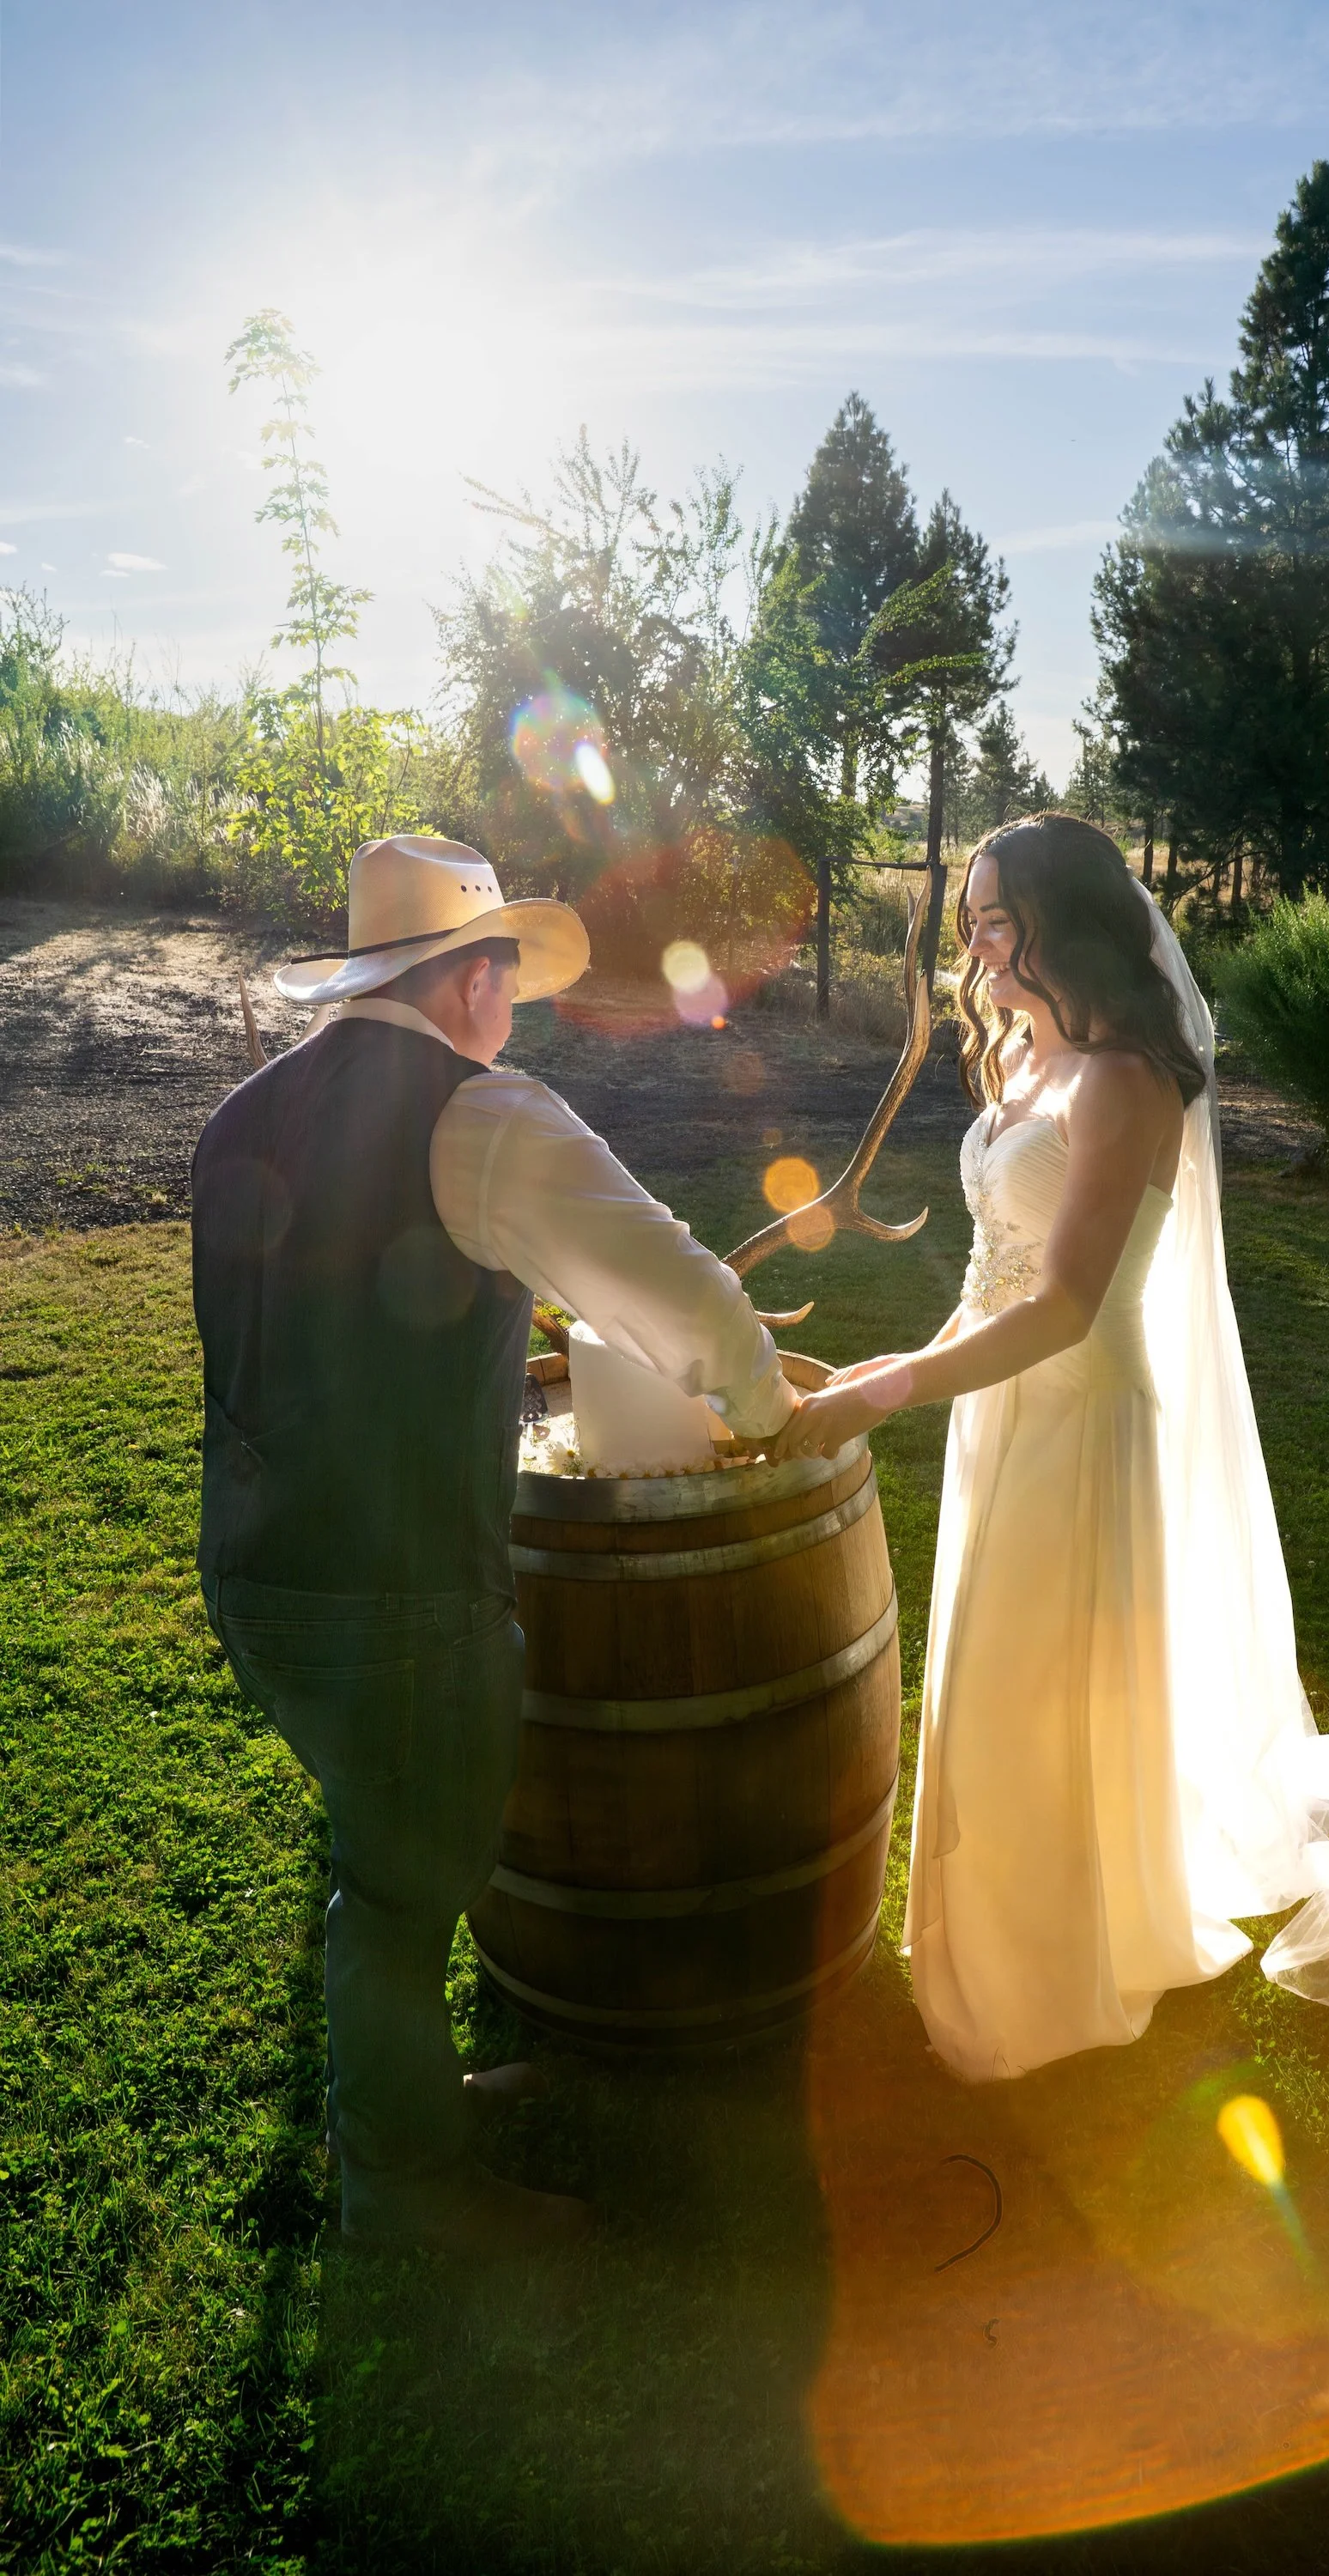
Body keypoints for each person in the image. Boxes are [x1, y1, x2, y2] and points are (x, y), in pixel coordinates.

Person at [778, 813, 1329, 2083]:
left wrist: (887, 1395)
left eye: (998, 919)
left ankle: (1052, 1975)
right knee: (995, 1680)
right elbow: (997, 1271)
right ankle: (994, 1938)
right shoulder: (1025, 1057)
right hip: (999, 1405)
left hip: (1078, 1415)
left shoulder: (1125, 1081)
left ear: (1064, 926)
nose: (977, 946)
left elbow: (1066, 1305)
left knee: (1043, 1693)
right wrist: (886, 1363)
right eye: (972, 921)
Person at [193, 835, 796, 2245]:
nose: (510, 1012)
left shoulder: (239, 1117)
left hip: (253, 1569)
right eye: (507, 982)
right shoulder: (484, 1120)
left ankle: (402, 2098)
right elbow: (681, 1296)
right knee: (402, 1890)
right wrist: (767, 1406)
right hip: (395, 1593)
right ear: (471, 981)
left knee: (382, 1855)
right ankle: (406, 2190)